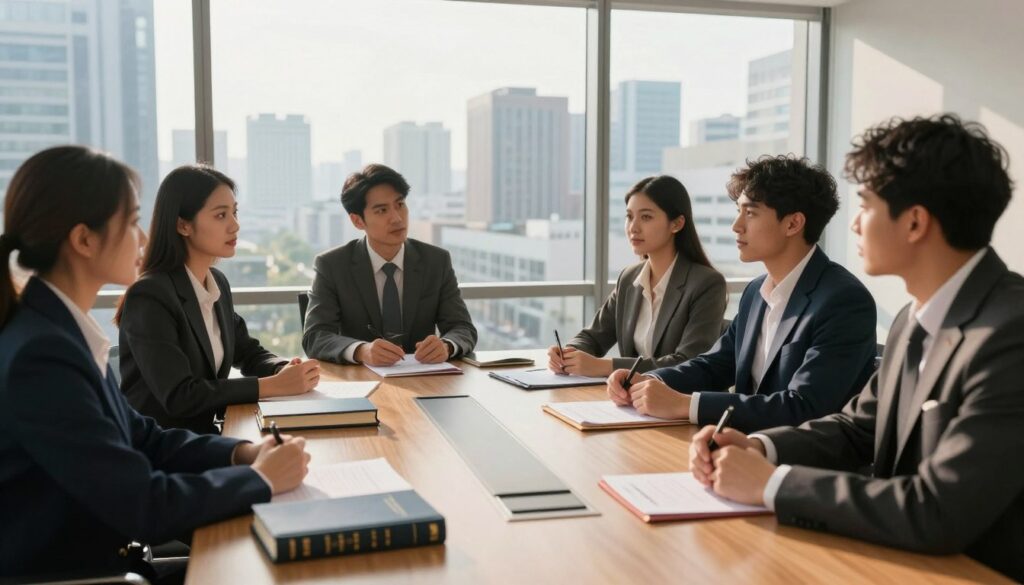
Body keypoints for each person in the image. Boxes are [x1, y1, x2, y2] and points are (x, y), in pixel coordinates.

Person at [691, 115, 1023, 582]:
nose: (854, 223)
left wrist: (773, 485)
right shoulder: (915, 318)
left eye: (865, 204)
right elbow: (856, 428)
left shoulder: (1010, 335)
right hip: (895, 559)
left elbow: (938, 509)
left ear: (914, 222)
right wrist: (759, 447)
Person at [0, 146, 309, 579]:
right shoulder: (42, 354)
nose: (143, 238)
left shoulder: (60, 332)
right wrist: (261, 479)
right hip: (85, 576)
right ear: (84, 240)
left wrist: (244, 452)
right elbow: (143, 503)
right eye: (130, 223)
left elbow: (146, 437)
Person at [608, 155, 877, 432]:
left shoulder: (843, 301)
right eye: (739, 211)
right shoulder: (755, 293)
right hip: (738, 448)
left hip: (798, 465)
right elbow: (714, 365)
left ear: (793, 224)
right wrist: (647, 380)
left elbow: (804, 407)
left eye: (750, 213)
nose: (736, 225)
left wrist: (685, 405)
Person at [117, 165, 320, 435]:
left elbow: (246, 351)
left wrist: (283, 368)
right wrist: (273, 386)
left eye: (234, 212)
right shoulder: (151, 295)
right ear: (183, 225)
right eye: (221, 215)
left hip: (208, 435)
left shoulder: (216, 283)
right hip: (164, 448)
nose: (235, 225)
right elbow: (180, 396)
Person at [548, 175, 726, 377]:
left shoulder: (706, 284)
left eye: (646, 217)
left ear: (676, 224)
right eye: (629, 216)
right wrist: (568, 353)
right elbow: (594, 337)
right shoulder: (629, 278)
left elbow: (689, 362)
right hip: (632, 401)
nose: (633, 227)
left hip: (681, 402)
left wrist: (606, 367)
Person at [303, 163, 477, 366]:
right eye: (381, 210)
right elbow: (315, 336)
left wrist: (447, 345)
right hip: (360, 382)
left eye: (400, 204)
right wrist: (361, 350)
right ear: (358, 221)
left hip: (425, 380)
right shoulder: (332, 266)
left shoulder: (436, 261)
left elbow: (463, 328)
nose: (396, 218)